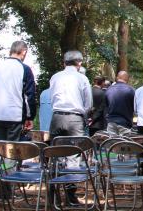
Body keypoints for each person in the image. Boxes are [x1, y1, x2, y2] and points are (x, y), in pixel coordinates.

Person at [49, 50, 92, 204]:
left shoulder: (55, 77)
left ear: (64, 62)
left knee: (56, 154)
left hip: (56, 117)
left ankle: (53, 195)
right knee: (73, 156)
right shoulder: (82, 78)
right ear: (79, 63)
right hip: (75, 119)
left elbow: (51, 97)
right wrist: (82, 115)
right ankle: (70, 195)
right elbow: (88, 104)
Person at [0, 40, 36, 141]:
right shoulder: (24, 69)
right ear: (24, 52)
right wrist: (29, 117)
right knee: (13, 151)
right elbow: (29, 96)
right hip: (15, 116)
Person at [105, 70, 135, 135]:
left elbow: (106, 106)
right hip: (125, 123)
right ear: (127, 79)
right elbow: (134, 107)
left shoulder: (109, 89)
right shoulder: (130, 90)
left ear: (117, 78)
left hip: (111, 122)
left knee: (112, 144)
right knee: (125, 144)